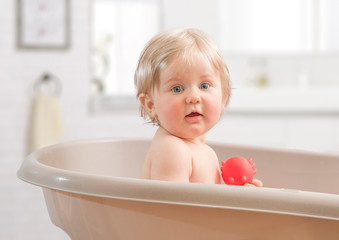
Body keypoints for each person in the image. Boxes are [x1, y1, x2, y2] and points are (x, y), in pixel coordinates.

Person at [135, 29, 262, 186]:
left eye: (204, 85)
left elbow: (207, 205)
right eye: (177, 89)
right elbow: (171, 210)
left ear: (224, 97)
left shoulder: (206, 152)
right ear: (151, 104)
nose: (194, 97)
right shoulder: (172, 149)